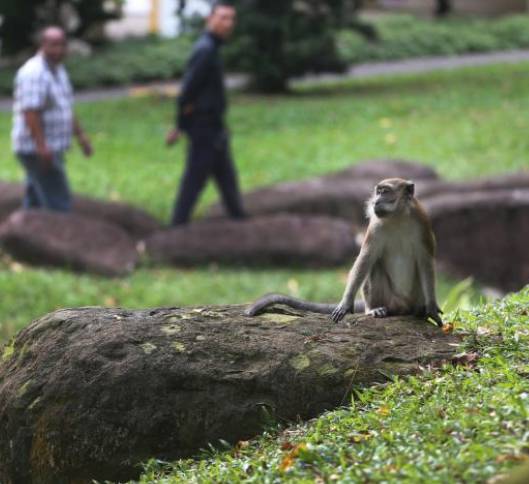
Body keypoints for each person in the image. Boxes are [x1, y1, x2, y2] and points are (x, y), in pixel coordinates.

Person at [166, 1, 246, 226]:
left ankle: (239, 220)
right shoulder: (205, 50)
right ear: (209, 20)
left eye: (231, 18)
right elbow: (187, 92)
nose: (228, 23)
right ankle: (176, 227)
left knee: (226, 178)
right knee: (194, 179)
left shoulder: (212, 48)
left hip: (214, 126)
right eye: (222, 18)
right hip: (203, 129)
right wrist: (180, 126)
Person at [12, 26, 93, 212]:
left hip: (51, 146)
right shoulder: (34, 72)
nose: (59, 50)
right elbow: (30, 112)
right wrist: (41, 146)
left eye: (62, 45)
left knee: (36, 200)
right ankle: (63, 238)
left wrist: (81, 136)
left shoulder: (58, 70)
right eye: (53, 45)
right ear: (42, 45)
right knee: (59, 200)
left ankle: (21, 234)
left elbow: (65, 107)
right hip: (36, 149)